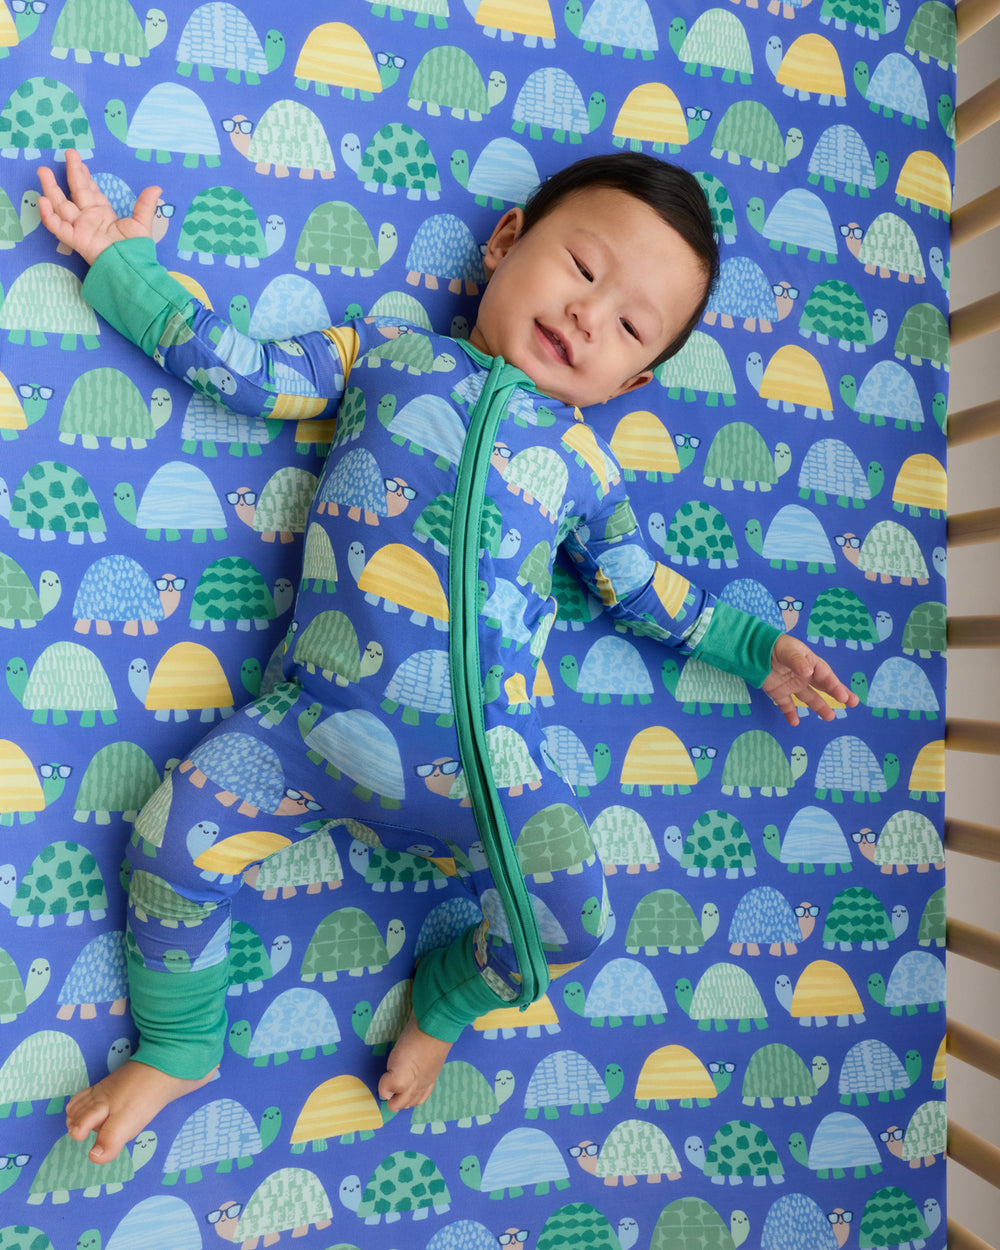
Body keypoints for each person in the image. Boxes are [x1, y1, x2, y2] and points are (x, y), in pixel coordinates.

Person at [37, 149, 859, 1166]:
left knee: (575, 919)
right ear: (507, 241)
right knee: (172, 838)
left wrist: (751, 645)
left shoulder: (584, 465)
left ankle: (450, 989)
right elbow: (244, 369)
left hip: (491, 774)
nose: (589, 316)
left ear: (631, 380)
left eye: (630, 325)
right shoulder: (386, 353)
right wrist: (124, 267)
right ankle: (178, 1042)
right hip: (307, 731)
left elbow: (644, 589)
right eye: (582, 267)